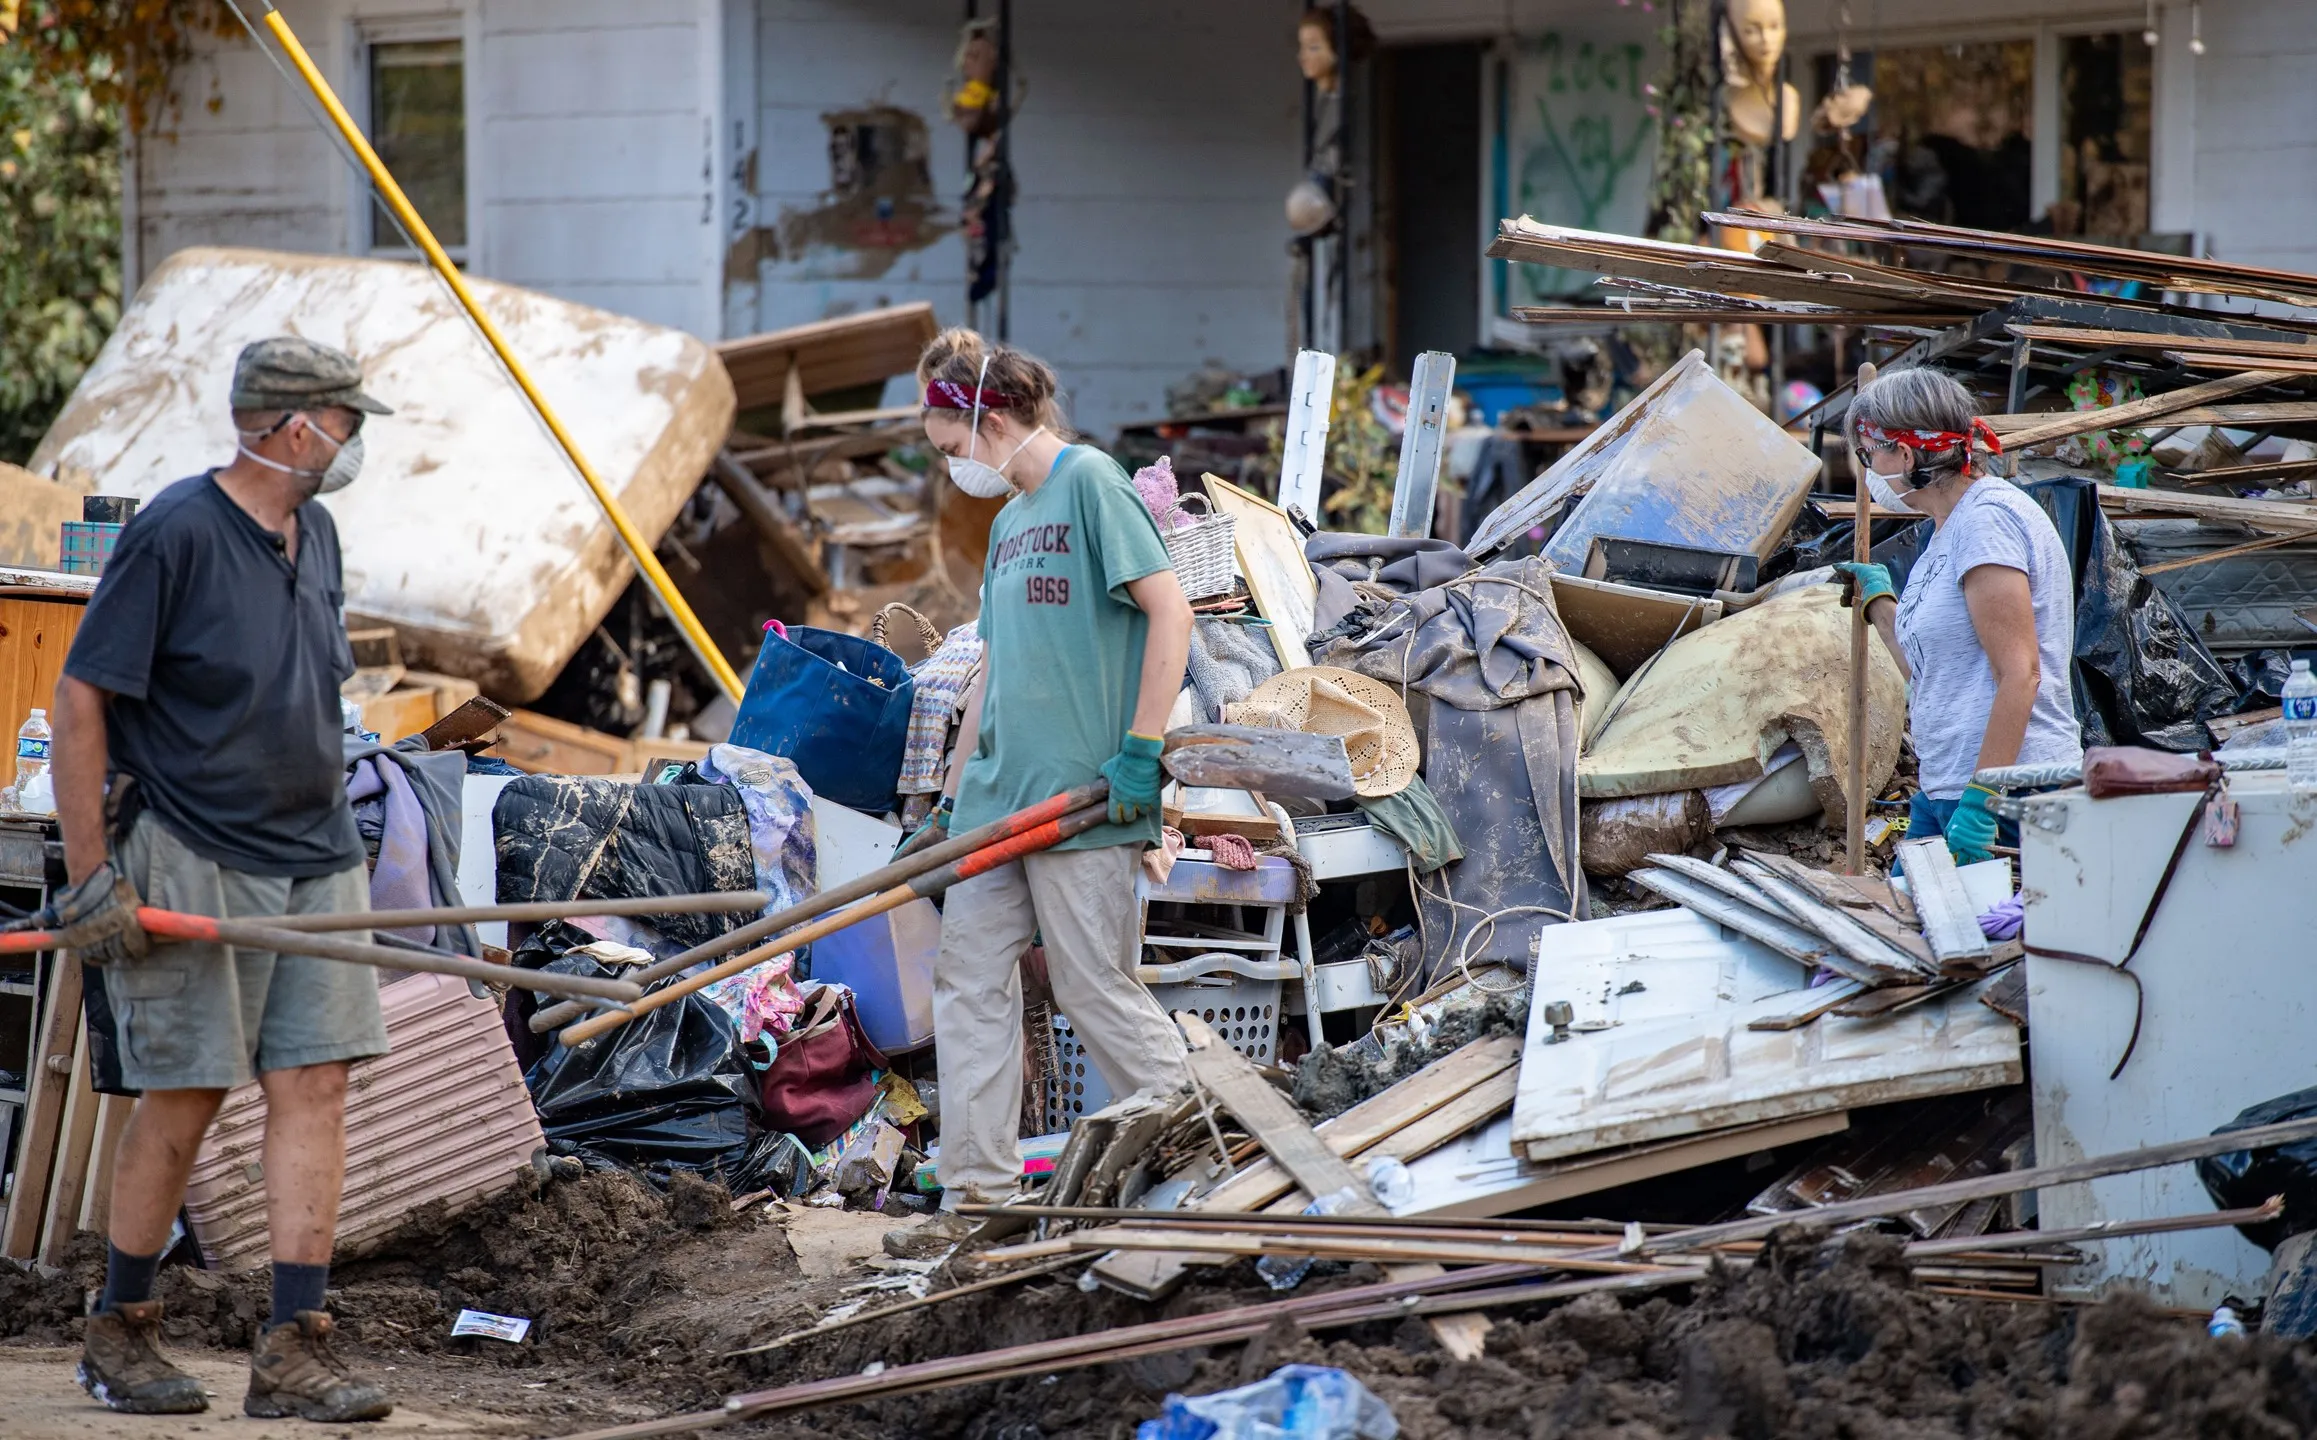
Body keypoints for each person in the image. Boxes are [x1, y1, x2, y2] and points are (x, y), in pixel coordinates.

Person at [49, 338, 395, 1422]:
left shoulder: (319, 529)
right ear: (295, 427)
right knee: (189, 1090)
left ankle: (295, 1344)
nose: (353, 443)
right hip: (196, 850)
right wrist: (92, 873)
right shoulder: (178, 533)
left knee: (319, 1084)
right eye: (347, 422)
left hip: (317, 851)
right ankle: (121, 1328)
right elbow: (79, 702)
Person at [884, 330, 1194, 1257]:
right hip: (994, 804)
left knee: (1094, 988)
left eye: (950, 450)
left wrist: (1142, 753)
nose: (952, 472)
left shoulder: (1092, 484)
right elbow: (992, 671)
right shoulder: (1009, 524)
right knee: (968, 985)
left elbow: (1169, 612)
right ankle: (976, 1205)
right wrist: (947, 801)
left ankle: (1208, 1150)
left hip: (1083, 798)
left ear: (992, 418)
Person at [1834, 366, 2082, 864]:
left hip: (2011, 794)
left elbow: (2021, 674)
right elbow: (1934, 675)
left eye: (1868, 455)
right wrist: (1881, 605)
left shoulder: (1987, 521)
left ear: (1904, 454)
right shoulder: (1945, 531)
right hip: (1950, 786)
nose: (1866, 470)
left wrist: (1982, 800)